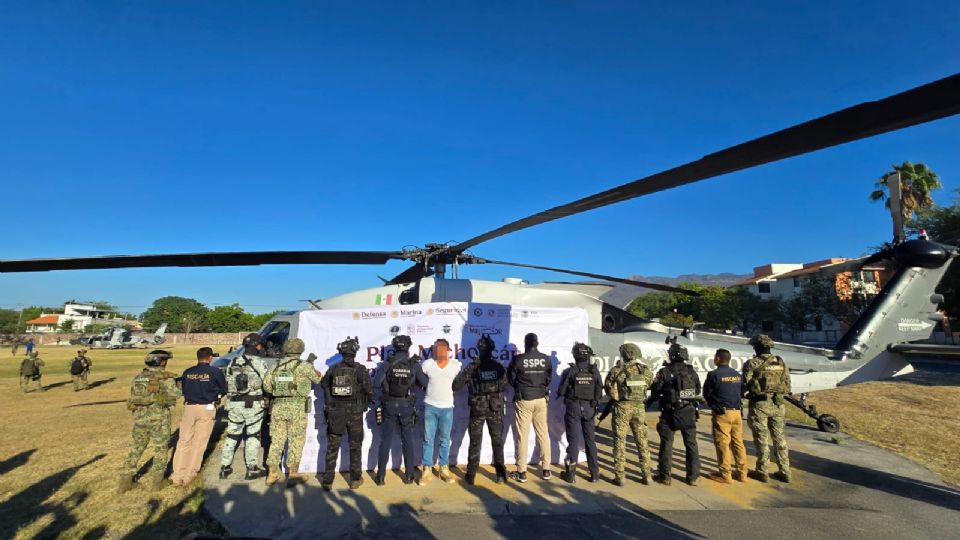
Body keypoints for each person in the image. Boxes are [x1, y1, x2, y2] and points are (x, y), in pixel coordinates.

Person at [119, 350, 182, 493]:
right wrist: (179, 386)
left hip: (140, 418)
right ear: (162, 361)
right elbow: (176, 394)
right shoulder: (165, 378)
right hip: (159, 419)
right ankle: (157, 482)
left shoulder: (138, 377)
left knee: (137, 448)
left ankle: (125, 482)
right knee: (161, 449)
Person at [263, 338, 322, 488]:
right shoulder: (304, 366)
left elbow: (267, 387)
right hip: (297, 408)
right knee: (296, 440)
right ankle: (293, 474)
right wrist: (312, 368)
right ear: (300, 350)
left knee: (276, 441)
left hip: (278, 407)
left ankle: (272, 474)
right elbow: (318, 379)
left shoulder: (276, 365)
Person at [453, 334, 509, 485]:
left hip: (478, 407)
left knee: (475, 441)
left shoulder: (472, 367)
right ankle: (500, 474)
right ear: (492, 349)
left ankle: (471, 474)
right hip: (494, 407)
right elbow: (504, 384)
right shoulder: (498, 367)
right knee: (497, 441)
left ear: (478, 349)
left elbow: (456, 385)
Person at [320, 336, 374, 491]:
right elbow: (369, 390)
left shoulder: (333, 369)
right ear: (354, 352)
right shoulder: (360, 369)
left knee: (332, 447)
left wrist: (330, 402)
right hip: (354, 413)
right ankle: (355, 480)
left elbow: (324, 384)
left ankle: (327, 481)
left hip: (336, 413)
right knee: (355, 447)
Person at [170, 347, 227, 487]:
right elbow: (224, 388)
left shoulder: (188, 372)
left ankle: (177, 474)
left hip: (189, 408)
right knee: (199, 442)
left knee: (184, 440)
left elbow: (183, 389)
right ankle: (190, 474)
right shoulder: (215, 372)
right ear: (210, 358)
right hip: (206, 408)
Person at [649, 341, 702, 486]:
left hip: (669, 413)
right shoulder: (691, 371)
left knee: (666, 444)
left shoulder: (664, 372)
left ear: (671, 355)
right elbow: (697, 390)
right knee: (691, 444)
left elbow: (655, 391)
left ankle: (665, 476)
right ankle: (693, 477)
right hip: (688, 412)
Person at [219, 333, 269, 481]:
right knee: (253, 435)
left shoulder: (233, 361)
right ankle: (252, 468)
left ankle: (224, 468)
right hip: (253, 404)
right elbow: (267, 383)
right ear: (257, 346)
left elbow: (227, 380)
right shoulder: (259, 362)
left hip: (234, 404)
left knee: (232, 435)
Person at [743, 334, 792, 483]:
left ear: (757, 347)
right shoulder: (780, 362)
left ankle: (762, 471)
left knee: (761, 439)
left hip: (760, 405)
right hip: (778, 405)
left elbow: (745, 384)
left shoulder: (752, 363)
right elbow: (787, 384)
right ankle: (785, 471)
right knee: (780, 438)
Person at [604, 343, 653, 486]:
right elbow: (649, 384)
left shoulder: (616, 370)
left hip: (622, 408)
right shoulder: (645, 370)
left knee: (620, 441)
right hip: (639, 408)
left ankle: (620, 476)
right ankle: (647, 475)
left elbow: (608, 389)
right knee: (642, 441)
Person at [374, 335, 421, 485]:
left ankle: (380, 477)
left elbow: (376, 383)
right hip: (406, 405)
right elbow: (425, 382)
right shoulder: (413, 364)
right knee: (407, 440)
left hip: (389, 404)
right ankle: (409, 476)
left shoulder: (387, 363)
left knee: (385, 441)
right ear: (408, 347)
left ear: (395, 347)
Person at [507, 332, 553, 482]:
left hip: (524, 399)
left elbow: (511, 379)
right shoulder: (546, 359)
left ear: (525, 344)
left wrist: (522, 387)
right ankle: (546, 470)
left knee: (523, 436)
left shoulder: (518, 359)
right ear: (537, 343)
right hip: (541, 398)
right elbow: (548, 379)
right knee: (543, 434)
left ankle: (522, 472)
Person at [556, 342, 602, 483]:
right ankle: (594, 474)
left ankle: (571, 475)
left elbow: (561, 391)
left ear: (575, 356)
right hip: (589, 409)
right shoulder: (594, 371)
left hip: (574, 408)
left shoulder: (570, 371)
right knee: (590, 441)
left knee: (573, 441)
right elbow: (599, 390)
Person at [417, 338, 460, 485]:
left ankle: (444, 469)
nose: (438, 350)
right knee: (428, 439)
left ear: (447, 350)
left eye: (441, 348)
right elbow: (418, 379)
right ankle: (427, 470)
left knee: (444, 440)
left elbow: (459, 383)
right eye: (436, 348)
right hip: (430, 406)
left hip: (447, 408)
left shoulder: (455, 366)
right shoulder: (427, 364)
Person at [703, 349, 747, 483]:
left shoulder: (713, 375)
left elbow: (707, 394)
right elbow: (742, 391)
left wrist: (713, 405)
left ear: (717, 359)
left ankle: (725, 475)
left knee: (723, 444)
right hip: (737, 413)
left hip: (722, 414)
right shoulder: (737, 375)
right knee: (738, 443)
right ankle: (742, 474)